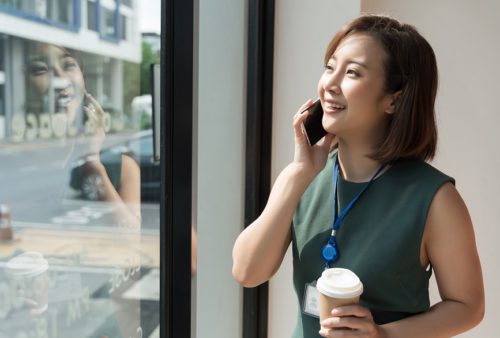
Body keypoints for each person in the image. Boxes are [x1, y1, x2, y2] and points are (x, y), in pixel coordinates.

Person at [232, 15, 484, 337]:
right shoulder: (303, 178)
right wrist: (299, 173)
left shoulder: (435, 199)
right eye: (329, 67)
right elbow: (246, 271)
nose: (329, 85)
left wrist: (382, 335)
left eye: (352, 72)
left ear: (393, 99)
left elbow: (468, 306)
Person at [24, 42, 141, 229]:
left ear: (83, 81)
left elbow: (132, 243)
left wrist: (92, 162)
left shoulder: (123, 167)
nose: (60, 77)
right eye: (40, 69)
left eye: (68, 65)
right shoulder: (22, 164)